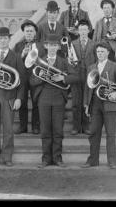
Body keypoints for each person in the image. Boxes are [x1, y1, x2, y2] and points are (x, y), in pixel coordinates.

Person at [31, 34, 79, 168]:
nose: (52, 48)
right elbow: (32, 80)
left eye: (54, 45)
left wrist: (63, 79)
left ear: (58, 47)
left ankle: (57, 158)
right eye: (49, 45)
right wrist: (40, 77)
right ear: (46, 46)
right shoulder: (39, 61)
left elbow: (76, 76)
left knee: (58, 130)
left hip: (58, 97)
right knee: (45, 130)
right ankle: (46, 159)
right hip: (43, 97)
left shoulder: (64, 61)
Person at [81, 41, 116, 169]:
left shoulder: (115, 66)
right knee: (94, 133)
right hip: (95, 104)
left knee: (110, 134)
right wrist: (86, 104)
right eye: (98, 52)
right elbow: (88, 87)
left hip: (110, 103)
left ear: (108, 52)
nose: (100, 54)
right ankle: (93, 160)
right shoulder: (91, 67)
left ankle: (112, 161)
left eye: (102, 51)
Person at [0, 27, 26, 167]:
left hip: (9, 96)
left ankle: (7, 157)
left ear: (9, 40)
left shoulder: (16, 56)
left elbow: (21, 80)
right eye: (0, 38)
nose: (3, 40)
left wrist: (19, 98)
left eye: (5, 38)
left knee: (8, 129)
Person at [13, 19, 40, 135]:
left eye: (31, 31)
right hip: (22, 78)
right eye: (27, 31)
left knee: (36, 102)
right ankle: (23, 126)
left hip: (35, 77)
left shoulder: (39, 45)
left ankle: (35, 126)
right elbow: (14, 61)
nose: (29, 33)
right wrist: (22, 54)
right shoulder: (18, 45)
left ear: (35, 33)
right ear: (24, 33)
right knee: (22, 102)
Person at [70, 19, 96, 135]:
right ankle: (76, 127)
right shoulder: (73, 43)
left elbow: (96, 61)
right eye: (81, 30)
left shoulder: (94, 44)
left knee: (87, 101)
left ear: (89, 31)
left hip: (89, 76)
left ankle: (86, 126)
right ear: (78, 31)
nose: (83, 32)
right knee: (76, 102)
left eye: (85, 29)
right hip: (76, 75)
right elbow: (70, 60)